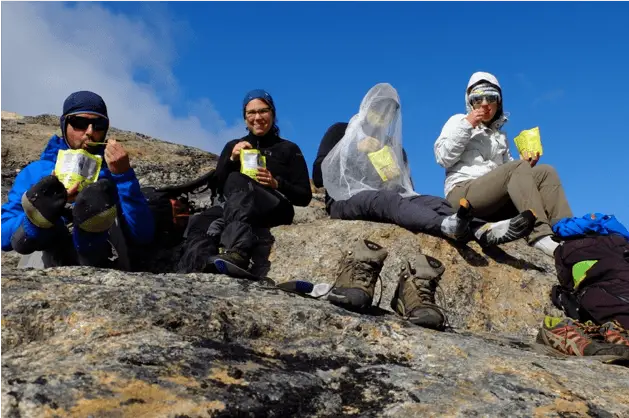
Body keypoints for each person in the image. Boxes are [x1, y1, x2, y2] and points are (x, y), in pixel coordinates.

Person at [312, 83, 536, 327]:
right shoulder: (342, 130)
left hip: (385, 198)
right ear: (366, 107)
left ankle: (483, 230)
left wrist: (393, 171)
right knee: (388, 201)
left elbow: (405, 188)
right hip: (345, 200)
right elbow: (318, 174)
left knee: (432, 201)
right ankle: (445, 226)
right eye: (378, 109)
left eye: (389, 111)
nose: (382, 116)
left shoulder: (393, 147)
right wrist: (352, 148)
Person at [0, 91, 154, 270]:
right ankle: (41, 225)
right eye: (80, 123)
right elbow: (3, 237)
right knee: (45, 206)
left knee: (97, 198)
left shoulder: (114, 172)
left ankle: (89, 240)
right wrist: (41, 213)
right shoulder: (36, 172)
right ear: (64, 124)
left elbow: (143, 234)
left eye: (98, 125)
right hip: (44, 262)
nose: (90, 132)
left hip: (104, 263)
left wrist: (125, 176)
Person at [434, 71, 573, 257]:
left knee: (545, 171)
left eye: (491, 97)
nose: (484, 103)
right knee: (517, 168)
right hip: (463, 195)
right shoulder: (458, 121)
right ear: (470, 102)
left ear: (498, 102)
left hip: (494, 199)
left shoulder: (500, 136)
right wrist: (468, 125)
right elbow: (443, 158)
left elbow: (509, 171)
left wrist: (526, 165)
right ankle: (540, 234)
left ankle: (567, 232)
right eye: (477, 99)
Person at [177, 89, 312, 274]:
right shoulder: (234, 145)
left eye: (263, 111)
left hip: (274, 206)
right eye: (251, 113)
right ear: (244, 118)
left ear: (272, 113)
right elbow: (217, 186)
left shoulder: (288, 148)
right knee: (202, 223)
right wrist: (232, 158)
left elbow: (304, 196)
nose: (257, 117)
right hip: (236, 206)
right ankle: (196, 270)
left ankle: (237, 252)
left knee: (237, 179)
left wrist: (276, 183)